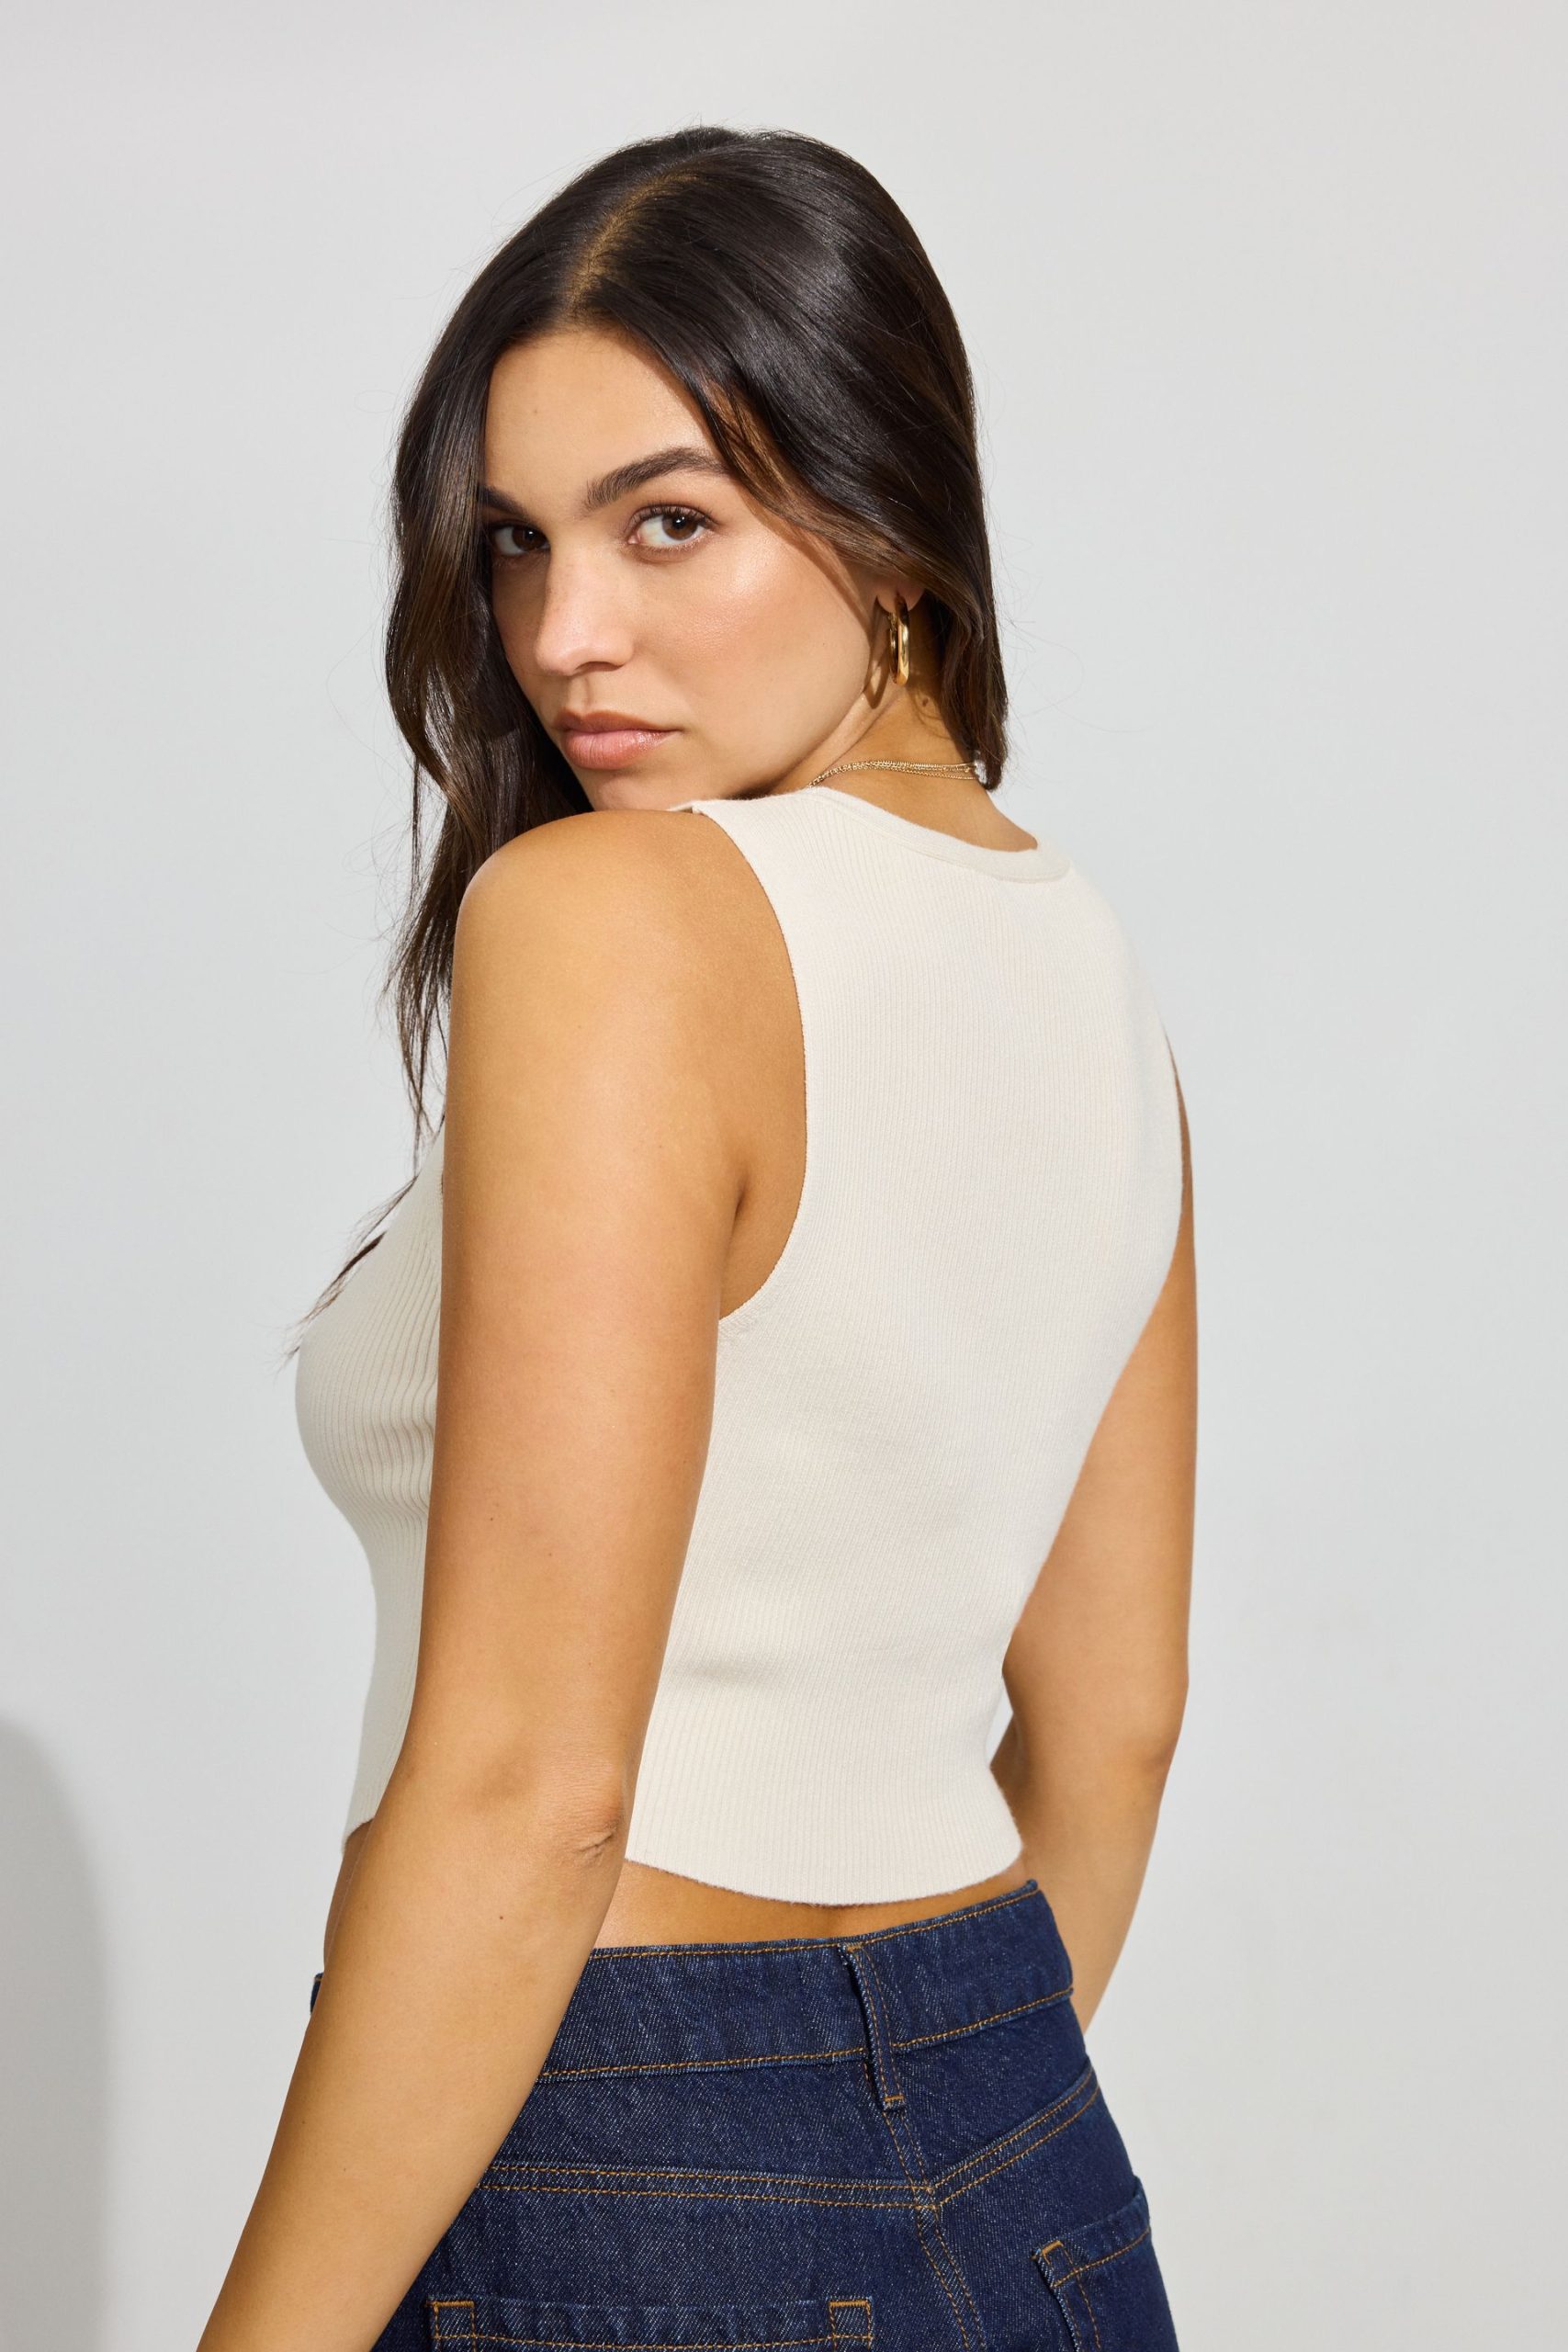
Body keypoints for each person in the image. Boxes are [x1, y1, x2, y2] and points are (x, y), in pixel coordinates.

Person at [199, 125, 1195, 2352]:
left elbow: (529, 1792)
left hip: (612, 2147)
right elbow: (1115, 1724)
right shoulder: (1083, 964)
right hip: (1028, 2144)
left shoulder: (613, 913)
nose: (563, 634)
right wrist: (916, 2124)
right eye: (515, 541)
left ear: (888, 514)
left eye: (668, 521)